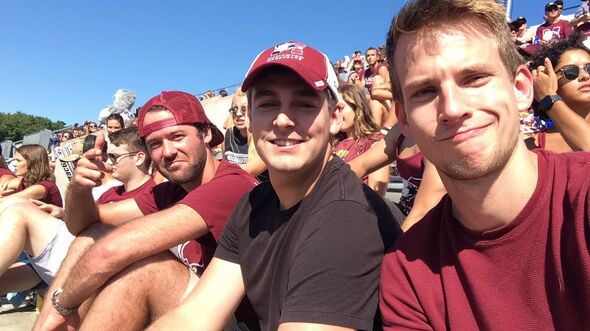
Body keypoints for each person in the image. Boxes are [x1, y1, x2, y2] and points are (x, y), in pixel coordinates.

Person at [149, 41, 401, 330]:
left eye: (304, 104)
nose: (282, 120)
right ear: (251, 121)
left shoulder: (346, 215)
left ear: (334, 119)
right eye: (268, 104)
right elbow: (196, 315)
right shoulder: (254, 202)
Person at [379, 0, 590, 329]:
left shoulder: (583, 198)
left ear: (520, 88)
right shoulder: (406, 272)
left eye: (474, 78)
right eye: (425, 90)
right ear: (403, 120)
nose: (452, 107)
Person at [35, 91, 258, 330]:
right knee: (91, 237)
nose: (168, 151)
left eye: (177, 136)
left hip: (234, 319)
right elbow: (85, 224)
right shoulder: (169, 192)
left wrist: (61, 307)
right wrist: (78, 188)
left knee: (147, 269)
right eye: (156, 143)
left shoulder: (232, 184)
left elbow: (113, 249)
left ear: (205, 133)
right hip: (195, 309)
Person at [0, 126, 155, 296]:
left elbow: (92, 221)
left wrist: (77, 186)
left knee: (19, 209)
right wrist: (61, 212)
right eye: (108, 156)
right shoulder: (113, 192)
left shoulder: (153, 193)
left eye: (114, 157)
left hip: (100, 269)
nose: (109, 162)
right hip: (77, 254)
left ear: (139, 158)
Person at [529, 36, 590, 152]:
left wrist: (548, 99)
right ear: (547, 79)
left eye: (589, 69)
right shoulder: (533, 145)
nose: (585, 76)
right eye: (571, 71)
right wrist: (548, 95)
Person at [334, 83, 390, 196]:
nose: (336, 114)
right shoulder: (332, 143)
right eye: (333, 109)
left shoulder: (374, 142)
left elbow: (377, 193)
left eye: (341, 108)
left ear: (357, 107)